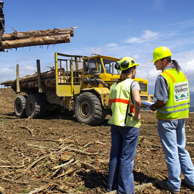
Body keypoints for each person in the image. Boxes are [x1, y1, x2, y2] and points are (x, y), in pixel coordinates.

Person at [150, 46, 194, 194]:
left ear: (164, 61)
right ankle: (192, 180)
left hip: (167, 119)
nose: (155, 64)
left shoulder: (163, 77)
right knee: (181, 149)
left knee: (171, 152)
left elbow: (161, 100)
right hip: (181, 117)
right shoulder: (181, 74)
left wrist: (153, 106)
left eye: (156, 61)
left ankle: (174, 184)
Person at [107, 57, 141, 194]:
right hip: (129, 125)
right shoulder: (133, 83)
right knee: (126, 159)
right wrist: (137, 115)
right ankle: (125, 191)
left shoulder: (114, 86)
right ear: (132, 70)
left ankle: (111, 187)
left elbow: (109, 105)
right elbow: (137, 101)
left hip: (115, 124)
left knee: (115, 155)